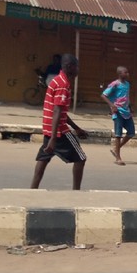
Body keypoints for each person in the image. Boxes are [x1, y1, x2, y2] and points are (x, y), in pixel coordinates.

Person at [30, 54, 88, 190]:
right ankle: (76, 192)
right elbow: (57, 112)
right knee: (81, 158)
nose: (78, 69)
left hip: (49, 129)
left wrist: (77, 128)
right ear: (70, 67)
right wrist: (54, 138)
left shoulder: (57, 80)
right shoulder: (63, 84)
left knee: (43, 159)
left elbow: (61, 112)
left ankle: (32, 190)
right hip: (59, 132)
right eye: (77, 66)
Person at [101, 66, 134, 166]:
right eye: (125, 72)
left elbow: (126, 97)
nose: (127, 74)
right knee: (118, 134)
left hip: (127, 111)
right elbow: (103, 95)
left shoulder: (127, 84)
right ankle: (118, 157)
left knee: (131, 132)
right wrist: (112, 105)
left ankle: (116, 149)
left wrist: (130, 107)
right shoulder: (115, 84)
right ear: (120, 74)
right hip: (118, 111)